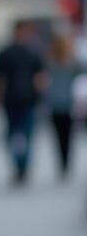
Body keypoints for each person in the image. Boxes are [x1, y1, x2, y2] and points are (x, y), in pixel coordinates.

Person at [0, 20, 45, 184]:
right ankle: (21, 167)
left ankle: (21, 167)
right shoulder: (31, 52)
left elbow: (0, 80)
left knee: (16, 134)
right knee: (22, 134)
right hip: (20, 99)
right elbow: (40, 80)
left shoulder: (7, 52)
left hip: (19, 99)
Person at [44, 33, 80, 177]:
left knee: (59, 137)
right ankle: (66, 163)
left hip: (55, 104)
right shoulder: (72, 63)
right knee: (68, 137)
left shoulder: (50, 62)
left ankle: (62, 164)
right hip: (69, 104)